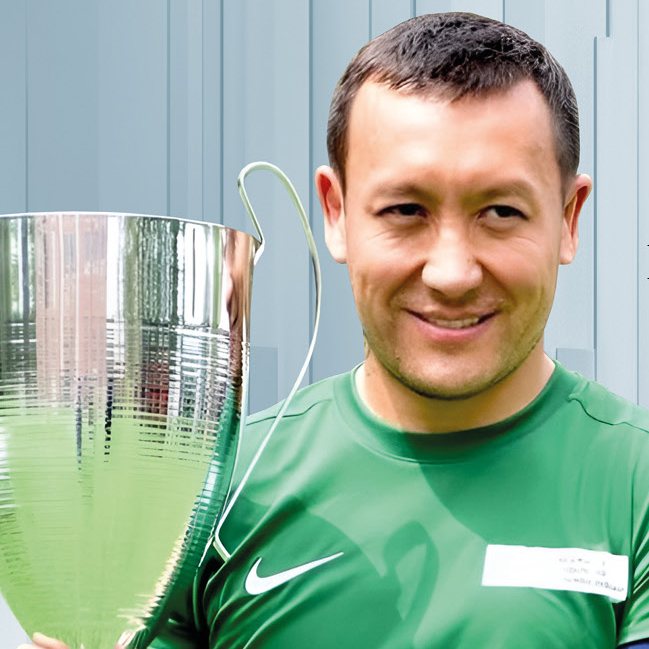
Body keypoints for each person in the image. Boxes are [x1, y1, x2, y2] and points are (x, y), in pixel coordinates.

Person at [22, 11, 649, 649]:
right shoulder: (209, 492)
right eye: (405, 210)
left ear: (568, 218)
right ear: (337, 212)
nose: (452, 273)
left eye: (501, 211)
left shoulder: (638, 485)